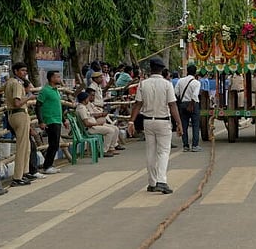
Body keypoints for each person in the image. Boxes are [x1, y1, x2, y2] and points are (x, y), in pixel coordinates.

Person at [129, 57, 183, 194]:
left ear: (150, 68)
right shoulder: (167, 84)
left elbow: (137, 104)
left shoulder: (143, 84)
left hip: (148, 121)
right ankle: (161, 181)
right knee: (164, 152)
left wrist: (131, 121)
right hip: (163, 121)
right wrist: (179, 123)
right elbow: (172, 105)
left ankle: (152, 183)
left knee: (150, 152)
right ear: (162, 70)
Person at [3, 62, 35, 186]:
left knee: (26, 145)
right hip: (19, 113)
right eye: (22, 70)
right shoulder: (16, 84)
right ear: (15, 71)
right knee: (22, 147)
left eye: (25, 70)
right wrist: (28, 97)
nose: (24, 73)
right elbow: (17, 102)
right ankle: (17, 177)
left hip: (13, 114)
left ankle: (24, 172)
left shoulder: (9, 82)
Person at [76, 92, 122, 157]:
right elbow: (86, 123)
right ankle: (103, 151)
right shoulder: (81, 108)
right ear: (84, 100)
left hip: (94, 126)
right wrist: (97, 123)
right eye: (87, 98)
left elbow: (90, 115)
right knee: (110, 131)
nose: (88, 100)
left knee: (115, 128)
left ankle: (111, 148)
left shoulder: (83, 107)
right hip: (91, 128)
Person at [36, 71, 65, 173]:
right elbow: (38, 105)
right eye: (57, 77)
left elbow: (58, 106)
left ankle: (49, 164)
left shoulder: (56, 90)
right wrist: (41, 121)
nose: (59, 78)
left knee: (55, 144)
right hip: (50, 120)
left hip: (57, 119)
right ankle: (47, 166)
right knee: (53, 144)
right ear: (51, 78)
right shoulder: (45, 90)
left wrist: (64, 119)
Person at [176, 64, 202, 152]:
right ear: (195, 73)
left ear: (187, 71)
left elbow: (176, 93)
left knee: (184, 125)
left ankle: (185, 145)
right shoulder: (196, 82)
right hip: (193, 105)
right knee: (195, 125)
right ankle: (195, 145)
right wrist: (191, 105)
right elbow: (195, 95)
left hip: (183, 104)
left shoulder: (180, 81)